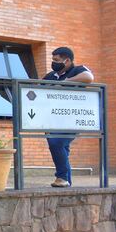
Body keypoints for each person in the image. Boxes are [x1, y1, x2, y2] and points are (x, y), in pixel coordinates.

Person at [42, 46, 94, 188]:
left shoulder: (78, 70)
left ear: (67, 60)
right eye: (53, 60)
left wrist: (66, 82)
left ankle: (62, 177)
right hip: (52, 120)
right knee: (61, 149)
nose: (53, 62)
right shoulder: (50, 76)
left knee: (56, 143)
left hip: (72, 120)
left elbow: (88, 78)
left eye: (56, 60)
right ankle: (66, 183)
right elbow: (38, 89)